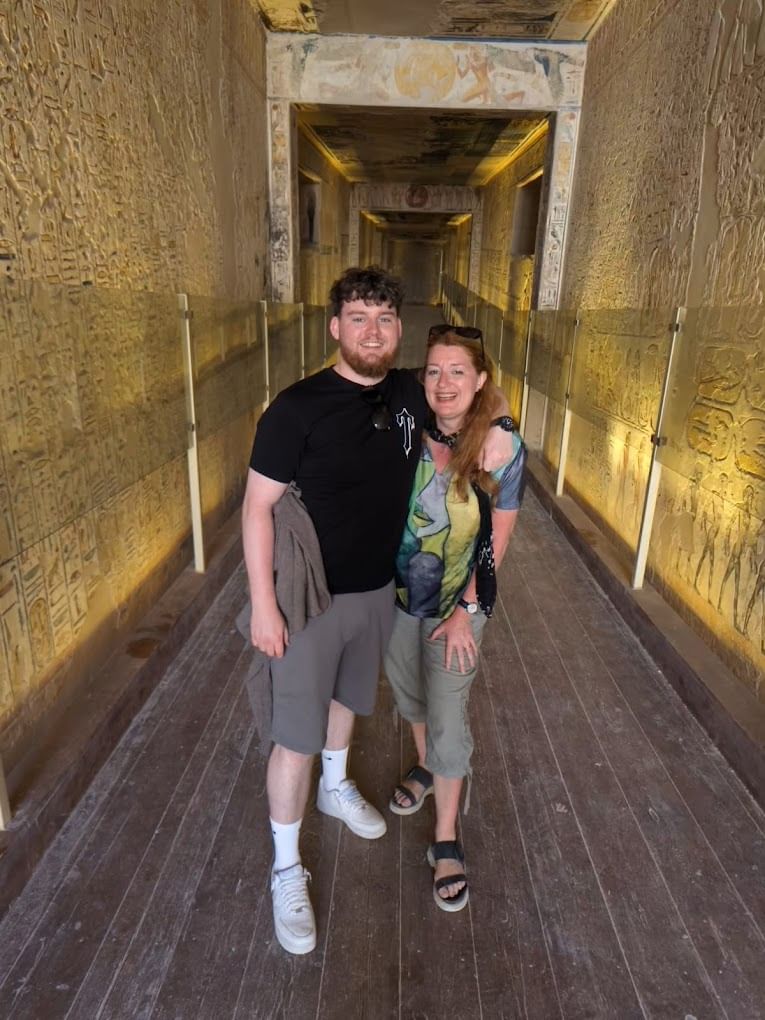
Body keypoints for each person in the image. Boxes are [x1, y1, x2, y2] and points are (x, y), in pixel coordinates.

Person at [242, 267, 515, 954]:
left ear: (398, 331)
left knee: (347, 702)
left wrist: (503, 431)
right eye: (358, 317)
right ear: (334, 326)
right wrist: (263, 606)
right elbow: (256, 508)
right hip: (310, 595)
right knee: (293, 736)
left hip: (377, 592)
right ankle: (284, 867)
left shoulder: (404, 390)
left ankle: (336, 789)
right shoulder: (295, 408)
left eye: (384, 320)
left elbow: (470, 397)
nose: (371, 331)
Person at [384, 323, 526, 913]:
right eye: (435, 371)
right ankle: (425, 764)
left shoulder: (496, 450)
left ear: (481, 381)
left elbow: (501, 534)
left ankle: (445, 837)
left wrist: (467, 611)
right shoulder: (405, 422)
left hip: (459, 603)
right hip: (394, 595)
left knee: (447, 710)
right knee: (407, 689)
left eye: (458, 372)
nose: (445, 384)